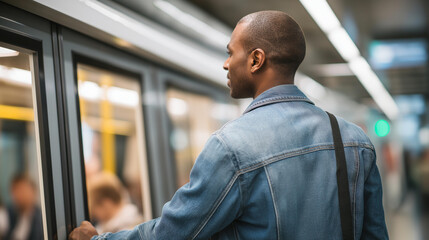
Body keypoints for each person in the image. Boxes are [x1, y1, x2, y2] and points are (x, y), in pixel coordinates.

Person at [70, 10, 388, 239]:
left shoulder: (231, 147)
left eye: (230, 53)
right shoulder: (354, 140)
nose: (225, 63)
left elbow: (173, 233)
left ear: (255, 60)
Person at [5, 173, 43, 240]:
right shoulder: (8, 214)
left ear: (33, 191)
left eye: (22, 190)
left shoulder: (42, 218)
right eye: (15, 190)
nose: (19, 195)